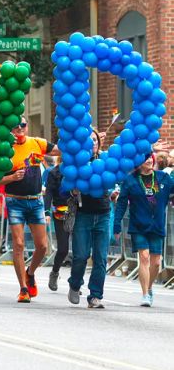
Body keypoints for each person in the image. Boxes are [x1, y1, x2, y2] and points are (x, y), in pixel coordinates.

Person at [0, 116, 59, 303]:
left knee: (43, 247)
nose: (19, 128)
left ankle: (30, 273)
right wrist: (11, 178)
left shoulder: (37, 143)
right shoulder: (4, 149)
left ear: (27, 127)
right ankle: (23, 289)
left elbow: (61, 152)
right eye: (15, 125)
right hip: (15, 202)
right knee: (19, 245)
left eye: (22, 124)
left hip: (36, 201)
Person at [114, 154, 174, 307]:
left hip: (157, 226)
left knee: (156, 263)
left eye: (150, 158)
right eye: (144, 158)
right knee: (145, 257)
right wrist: (116, 224)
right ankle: (145, 294)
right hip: (139, 225)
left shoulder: (163, 178)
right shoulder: (130, 181)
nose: (148, 160)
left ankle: (150, 286)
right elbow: (121, 204)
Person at [66, 131, 112, 309]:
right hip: (83, 214)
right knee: (81, 256)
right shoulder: (78, 162)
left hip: (103, 213)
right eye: (89, 140)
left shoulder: (107, 160)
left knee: (100, 258)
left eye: (95, 139)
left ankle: (95, 296)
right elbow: (66, 186)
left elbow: (118, 174)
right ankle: (75, 284)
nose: (93, 142)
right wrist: (74, 190)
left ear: (99, 143)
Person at [43, 159, 71, 291]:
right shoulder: (54, 172)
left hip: (79, 212)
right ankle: (54, 272)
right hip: (61, 213)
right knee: (63, 249)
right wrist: (47, 212)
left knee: (80, 252)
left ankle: (75, 283)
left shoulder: (80, 169)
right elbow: (48, 192)